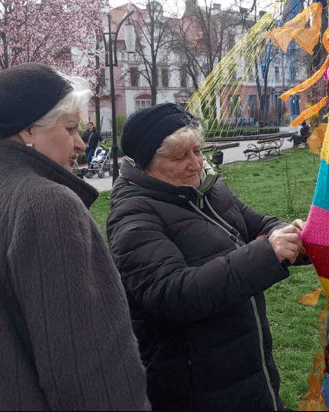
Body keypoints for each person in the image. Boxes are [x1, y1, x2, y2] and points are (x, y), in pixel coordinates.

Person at [0, 63, 150, 411]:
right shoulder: (46, 202)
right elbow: (89, 363)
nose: (79, 144)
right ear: (29, 129)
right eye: (71, 128)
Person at [106, 103, 309, 411]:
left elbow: (257, 224)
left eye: (198, 151)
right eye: (179, 157)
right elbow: (173, 292)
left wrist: (290, 233)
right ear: (146, 164)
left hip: (245, 370)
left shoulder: (207, 190)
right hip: (195, 385)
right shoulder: (132, 216)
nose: (196, 164)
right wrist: (267, 252)